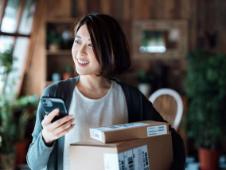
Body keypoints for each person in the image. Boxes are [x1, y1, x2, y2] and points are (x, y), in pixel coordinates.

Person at [27, 13, 185, 170]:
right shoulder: (55, 94)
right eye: (78, 41)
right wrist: (46, 138)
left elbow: (173, 144)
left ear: (111, 51)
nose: (80, 52)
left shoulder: (131, 98)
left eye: (91, 45)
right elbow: (34, 164)